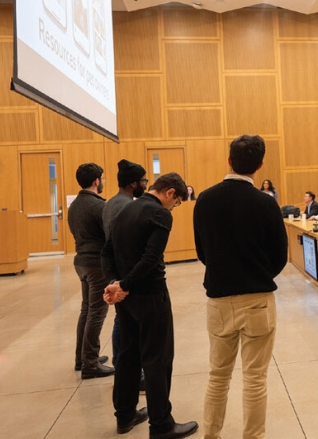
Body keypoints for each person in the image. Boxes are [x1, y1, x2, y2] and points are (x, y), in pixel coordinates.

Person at [193, 135, 288, 439]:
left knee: (217, 378)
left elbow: (202, 252)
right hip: (258, 299)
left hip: (219, 300)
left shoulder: (205, 199)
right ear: (260, 165)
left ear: (229, 160)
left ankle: (211, 435)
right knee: (255, 380)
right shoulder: (266, 203)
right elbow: (279, 256)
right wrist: (256, 273)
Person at [101, 172, 195, 439]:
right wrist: (126, 284)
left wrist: (115, 283)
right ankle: (161, 425)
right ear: (170, 193)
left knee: (127, 356)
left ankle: (125, 415)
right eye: (176, 202)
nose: (173, 207)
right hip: (150, 295)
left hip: (125, 299)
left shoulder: (126, 209)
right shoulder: (160, 214)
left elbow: (106, 251)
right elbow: (151, 258)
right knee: (158, 358)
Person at [103, 159, 148, 381]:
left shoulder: (111, 203)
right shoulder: (127, 206)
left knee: (122, 320)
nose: (146, 184)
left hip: (118, 270)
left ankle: (125, 369)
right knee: (125, 323)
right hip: (126, 272)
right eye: (143, 180)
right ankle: (128, 372)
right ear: (133, 183)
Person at [68, 163, 114, 379]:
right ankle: (91, 364)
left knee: (86, 310)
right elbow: (109, 235)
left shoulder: (75, 205)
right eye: (102, 178)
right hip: (96, 264)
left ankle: (83, 358)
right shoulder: (98, 206)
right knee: (97, 312)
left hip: (81, 262)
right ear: (97, 181)